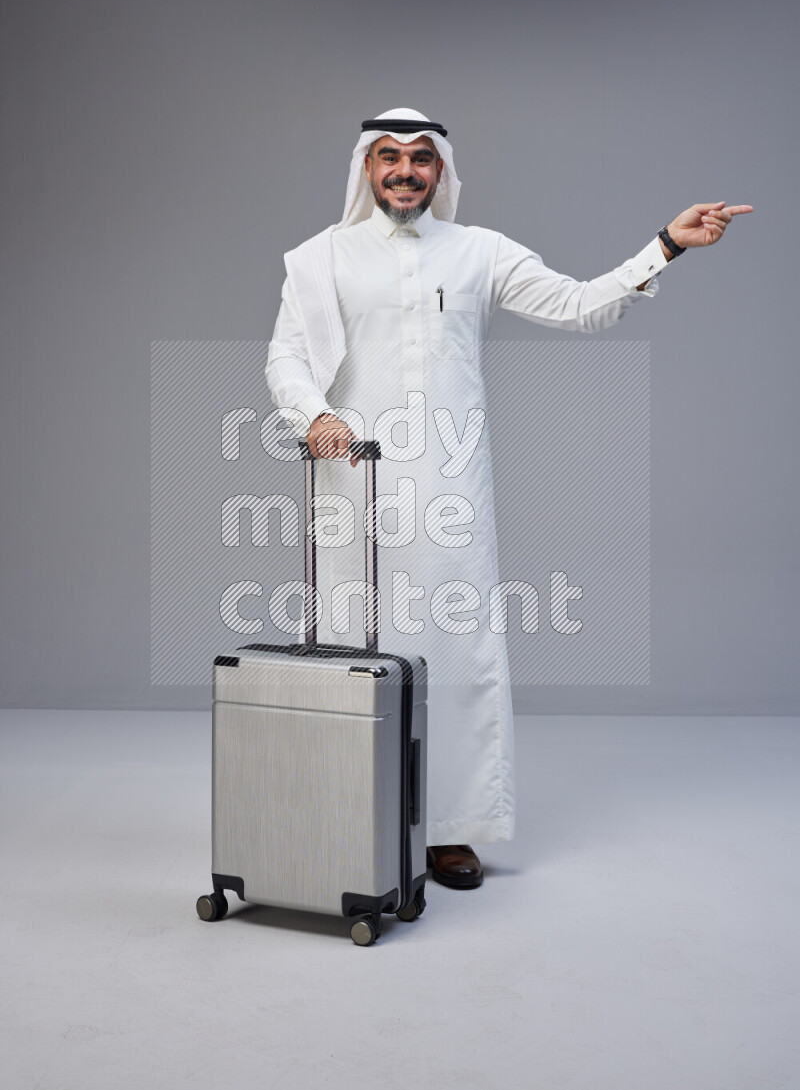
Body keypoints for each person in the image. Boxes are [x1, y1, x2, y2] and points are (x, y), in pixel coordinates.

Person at [265, 107, 752, 889]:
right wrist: (315, 414)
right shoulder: (320, 259)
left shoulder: (477, 252)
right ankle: (351, 814)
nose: (404, 171)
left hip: (451, 491)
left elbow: (582, 303)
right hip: (351, 488)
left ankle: (450, 829)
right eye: (388, 156)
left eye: (421, 158)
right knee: (351, 653)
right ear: (365, 168)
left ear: (442, 171)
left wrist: (665, 245)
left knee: (456, 653)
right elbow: (286, 356)